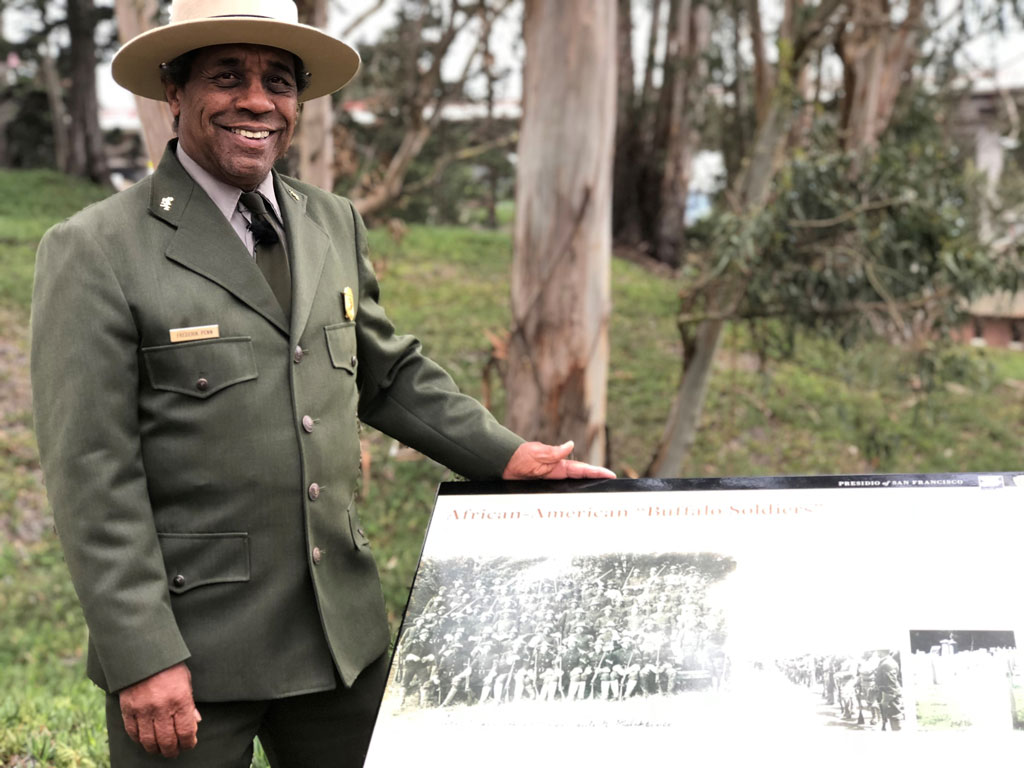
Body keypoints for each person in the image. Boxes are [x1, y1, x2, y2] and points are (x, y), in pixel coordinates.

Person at [29, 1, 614, 765]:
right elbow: (91, 473)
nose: (257, 101)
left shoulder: (330, 221)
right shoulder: (97, 248)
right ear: (173, 92)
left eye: (279, 81)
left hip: (341, 639)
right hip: (192, 651)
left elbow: (388, 372)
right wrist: (142, 653)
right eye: (227, 76)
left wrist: (506, 457)